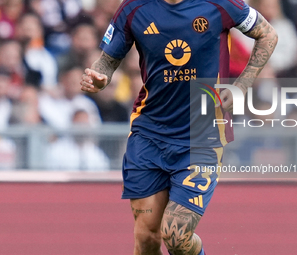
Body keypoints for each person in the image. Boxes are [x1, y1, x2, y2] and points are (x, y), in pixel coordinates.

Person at [80, 0, 278, 254]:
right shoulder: (133, 8)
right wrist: (99, 78)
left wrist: (241, 85)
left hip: (202, 136)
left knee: (176, 235)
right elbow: (107, 61)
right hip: (148, 134)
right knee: (147, 236)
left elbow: (267, 34)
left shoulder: (220, 4)